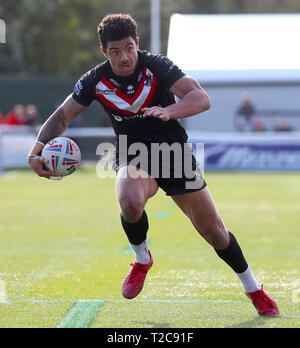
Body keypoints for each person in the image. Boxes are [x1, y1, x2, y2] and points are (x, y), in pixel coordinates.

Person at [27, 14, 279, 317]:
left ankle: (254, 289)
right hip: (133, 153)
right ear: (105, 52)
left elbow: (200, 98)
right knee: (130, 203)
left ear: (137, 44)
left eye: (129, 48)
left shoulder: (157, 66)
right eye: (116, 51)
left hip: (173, 152)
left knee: (215, 233)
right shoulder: (95, 80)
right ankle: (141, 259)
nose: (125, 57)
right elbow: (61, 116)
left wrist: (169, 111)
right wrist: (36, 150)